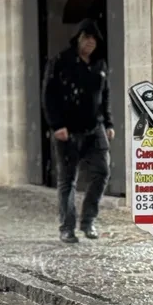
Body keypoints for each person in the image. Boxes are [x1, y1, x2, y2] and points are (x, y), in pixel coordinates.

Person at [43, 19, 113, 244]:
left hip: (95, 127)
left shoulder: (99, 64)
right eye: (86, 38)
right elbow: (49, 95)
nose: (90, 43)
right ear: (78, 38)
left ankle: (88, 220)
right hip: (68, 130)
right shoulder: (61, 62)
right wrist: (56, 125)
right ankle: (67, 227)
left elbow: (105, 96)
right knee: (67, 179)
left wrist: (109, 123)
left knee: (102, 171)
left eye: (94, 39)